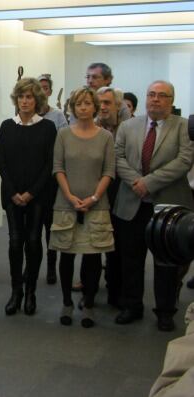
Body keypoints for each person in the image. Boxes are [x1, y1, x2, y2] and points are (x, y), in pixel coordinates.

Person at [113, 80, 194, 332]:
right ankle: (132, 306)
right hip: (131, 203)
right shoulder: (128, 126)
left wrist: (148, 182)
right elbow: (118, 157)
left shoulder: (183, 127)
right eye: (151, 95)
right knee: (131, 259)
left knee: (166, 263)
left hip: (168, 206)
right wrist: (136, 182)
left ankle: (165, 311)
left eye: (161, 96)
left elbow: (184, 160)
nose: (155, 99)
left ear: (171, 100)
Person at [50, 87, 115, 329]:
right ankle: (66, 302)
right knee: (65, 254)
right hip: (66, 205)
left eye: (88, 103)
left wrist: (94, 197)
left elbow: (109, 171)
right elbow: (58, 167)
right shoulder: (63, 135)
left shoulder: (105, 136)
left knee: (92, 257)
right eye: (79, 104)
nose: (84, 107)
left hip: (96, 206)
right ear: (73, 108)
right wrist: (69, 196)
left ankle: (88, 304)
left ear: (95, 107)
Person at [0, 78, 57, 316]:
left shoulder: (47, 128)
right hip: (12, 196)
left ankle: (31, 291)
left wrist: (30, 193)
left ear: (37, 100)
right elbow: (1, 163)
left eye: (29, 97)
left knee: (33, 242)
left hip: (38, 196)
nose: (24, 101)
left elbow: (49, 164)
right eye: (21, 97)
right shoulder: (6, 126)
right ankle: (16, 291)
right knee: (14, 242)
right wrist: (14, 193)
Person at [95, 86, 126, 309]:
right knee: (95, 246)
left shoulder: (128, 128)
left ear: (118, 105)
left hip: (122, 194)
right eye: (101, 103)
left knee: (120, 248)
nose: (103, 107)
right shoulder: (91, 128)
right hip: (95, 194)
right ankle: (92, 291)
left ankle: (117, 293)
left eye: (108, 103)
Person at [38, 74, 68, 285]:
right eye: (38, 87)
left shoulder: (57, 116)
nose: (41, 91)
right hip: (30, 179)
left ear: (49, 91)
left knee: (51, 227)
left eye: (45, 88)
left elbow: (63, 145)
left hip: (50, 180)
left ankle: (50, 266)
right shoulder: (25, 115)